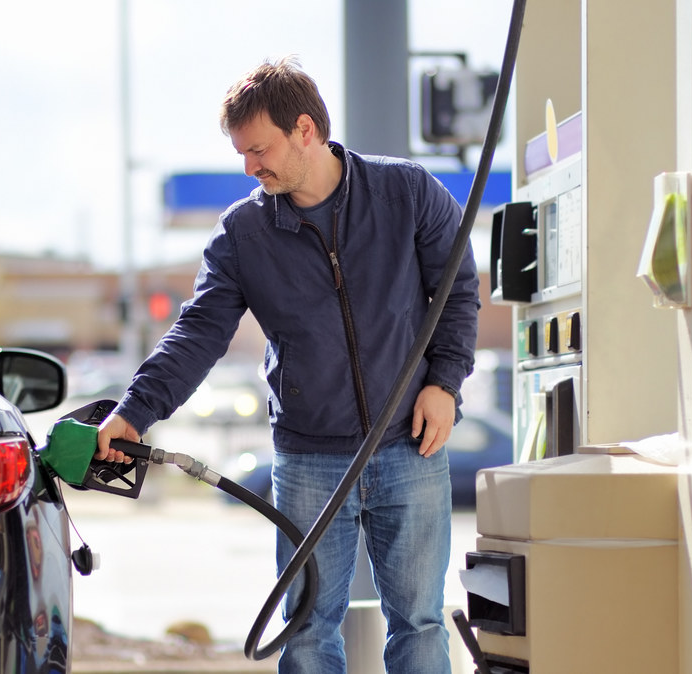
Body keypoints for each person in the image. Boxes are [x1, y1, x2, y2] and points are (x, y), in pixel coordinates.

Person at [95, 56, 480, 674]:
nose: (249, 167)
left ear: (305, 130)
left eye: (259, 149)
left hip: (410, 445)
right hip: (308, 457)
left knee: (420, 623)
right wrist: (134, 412)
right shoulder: (243, 234)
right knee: (305, 634)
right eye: (242, 153)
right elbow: (198, 333)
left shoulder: (406, 192)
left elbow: (458, 290)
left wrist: (444, 383)